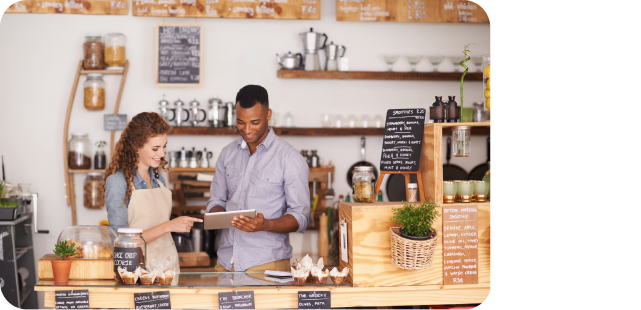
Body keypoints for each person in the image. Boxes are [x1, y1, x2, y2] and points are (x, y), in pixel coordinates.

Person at [207, 85, 310, 272]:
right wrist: (218, 216)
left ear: (268, 114)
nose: (247, 130)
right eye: (240, 122)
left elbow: (301, 216)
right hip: (225, 264)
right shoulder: (227, 154)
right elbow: (216, 201)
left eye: (255, 122)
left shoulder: (290, 159)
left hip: (267, 266)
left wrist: (266, 225)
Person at [104, 112, 202, 273]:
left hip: (168, 267)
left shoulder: (159, 181)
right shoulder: (117, 182)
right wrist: (169, 226)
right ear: (136, 146)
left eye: (164, 147)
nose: (162, 154)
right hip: (137, 271)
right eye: (155, 148)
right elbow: (120, 241)